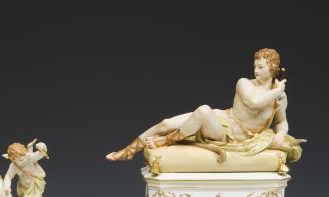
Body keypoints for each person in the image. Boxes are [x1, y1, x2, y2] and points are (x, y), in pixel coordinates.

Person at [106, 48, 303, 163]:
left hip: (232, 137)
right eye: (255, 66)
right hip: (223, 121)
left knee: (202, 110)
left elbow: (281, 121)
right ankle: (129, 151)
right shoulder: (245, 83)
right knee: (166, 123)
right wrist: (278, 90)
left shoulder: (279, 98)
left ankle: (166, 140)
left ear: (273, 69)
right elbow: (253, 102)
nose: (256, 70)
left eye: (260, 67)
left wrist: (280, 133)